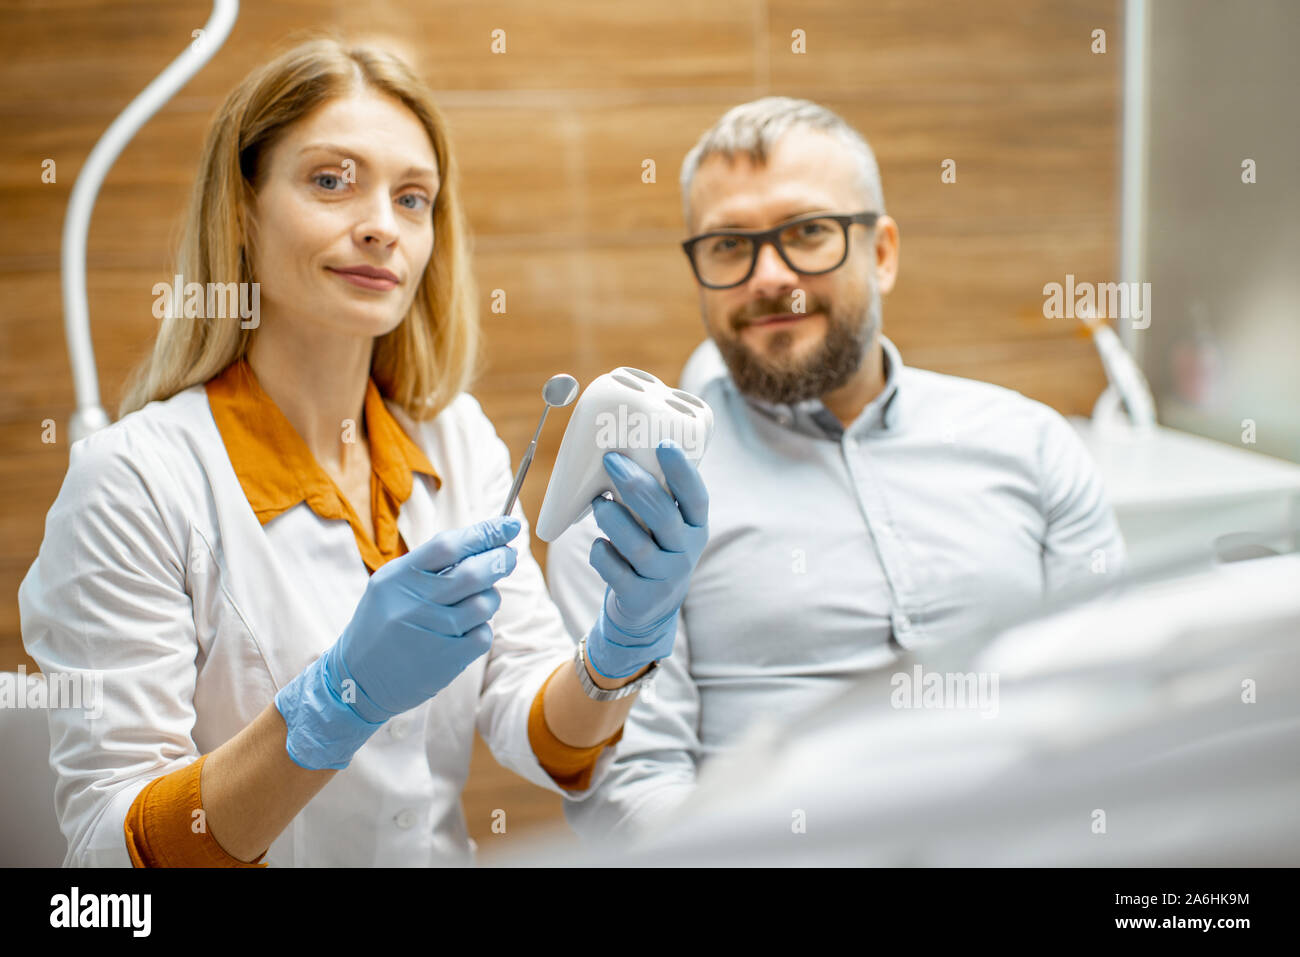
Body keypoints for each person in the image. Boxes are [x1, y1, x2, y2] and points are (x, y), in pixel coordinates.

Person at [18, 35, 708, 867]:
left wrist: (618, 650)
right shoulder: (133, 481)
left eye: (413, 198)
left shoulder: (460, 440)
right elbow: (106, 852)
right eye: (331, 180)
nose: (382, 226)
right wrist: (331, 706)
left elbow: (545, 738)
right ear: (242, 209)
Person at [545, 96, 1127, 845]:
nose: (769, 275)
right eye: (728, 245)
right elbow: (631, 791)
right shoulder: (632, 497)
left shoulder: (1030, 442)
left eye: (808, 231)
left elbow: (1114, 695)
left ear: (882, 252)